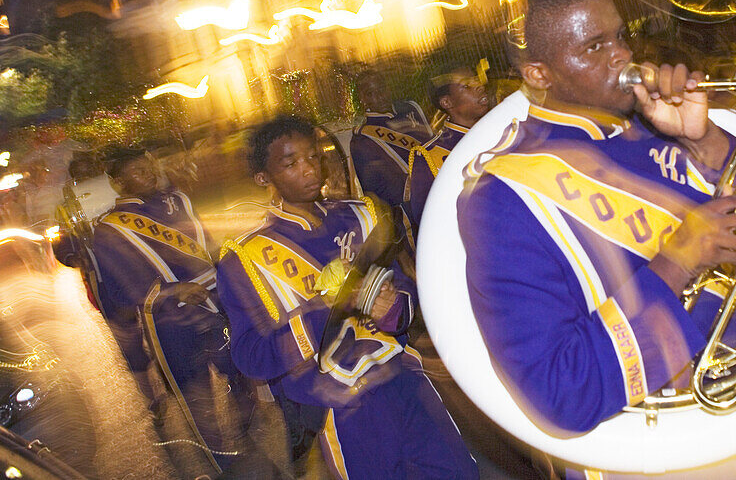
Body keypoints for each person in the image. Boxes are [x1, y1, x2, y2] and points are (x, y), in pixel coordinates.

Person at [458, 0, 736, 479]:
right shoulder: (502, 196)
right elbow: (560, 394)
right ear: (538, 73)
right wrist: (677, 260)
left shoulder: (651, 123)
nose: (624, 56)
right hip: (671, 449)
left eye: (620, 36)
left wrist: (705, 140)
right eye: (595, 46)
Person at [216, 115, 477, 479]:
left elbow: (406, 295)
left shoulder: (359, 217)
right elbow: (251, 356)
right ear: (265, 178)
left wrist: (392, 308)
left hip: (404, 379)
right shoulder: (246, 256)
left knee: (458, 472)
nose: (309, 170)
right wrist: (330, 307)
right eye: (291, 164)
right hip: (339, 406)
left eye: (313, 157)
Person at [85, 146, 257, 474]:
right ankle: (222, 464)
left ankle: (246, 439)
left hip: (216, 307)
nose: (148, 172)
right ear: (118, 182)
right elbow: (121, 291)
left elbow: (206, 245)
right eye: (137, 170)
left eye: (148, 164)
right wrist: (171, 290)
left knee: (241, 373)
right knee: (196, 398)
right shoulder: (110, 229)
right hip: (171, 327)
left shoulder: (178, 200)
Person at [405, 67, 491, 227]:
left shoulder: (502, 131)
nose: (479, 86)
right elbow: (428, 222)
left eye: (476, 80)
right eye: (466, 85)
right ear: (447, 102)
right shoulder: (430, 156)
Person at [348, 69, 432, 212]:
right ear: (363, 98)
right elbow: (379, 190)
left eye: (382, 89)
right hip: (413, 207)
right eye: (371, 93)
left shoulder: (411, 108)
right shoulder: (363, 139)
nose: (380, 96)